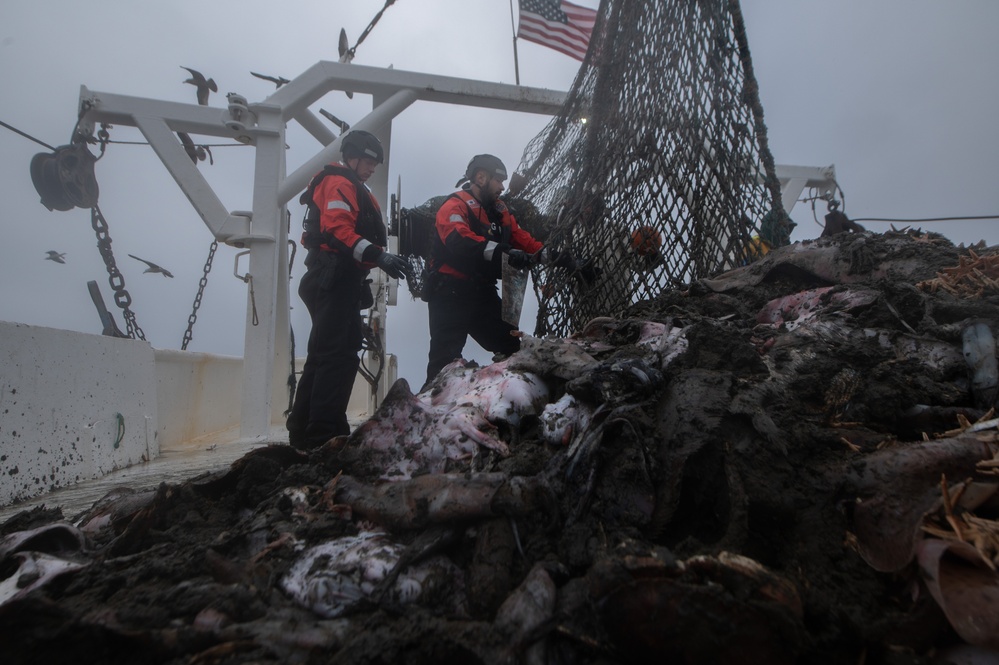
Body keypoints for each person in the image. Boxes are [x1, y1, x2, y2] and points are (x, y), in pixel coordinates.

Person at [287, 130, 411, 449]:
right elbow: (338, 230)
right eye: (369, 162)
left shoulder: (352, 185)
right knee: (334, 354)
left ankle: (306, 427)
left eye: (374, 164)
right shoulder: (339, 182)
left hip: (339, 279)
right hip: (331, 277)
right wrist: (378, 255)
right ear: (352, 157)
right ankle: (322, 433)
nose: (372, 169)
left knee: (332, 352)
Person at [422, 154, 575, 388]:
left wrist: (560, 258)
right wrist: (506, 252)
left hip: (481, 293)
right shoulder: (455, 205)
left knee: (511, 344)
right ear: (481, 178)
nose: (503, 187)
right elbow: (459, 240)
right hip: (449, 293)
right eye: (499, 180)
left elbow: (523, 241)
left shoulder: (500, 210)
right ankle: (428, 413)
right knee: (443, 363)